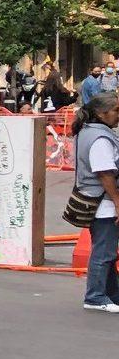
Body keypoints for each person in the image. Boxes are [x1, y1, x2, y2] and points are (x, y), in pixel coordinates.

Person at [74, 92, 119, 312]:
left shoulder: (89, 132)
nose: (118, 115)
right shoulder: (100, 138)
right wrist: (118, 201)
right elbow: (105, 173)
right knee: (104, 252)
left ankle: (112, 294)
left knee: (108, 251)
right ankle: (95, 297)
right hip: (104, 203)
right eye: (116, 110)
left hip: (99, 202)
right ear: (102, 113)